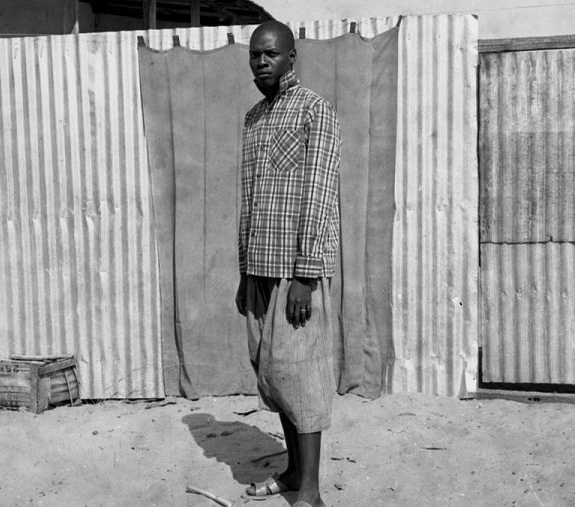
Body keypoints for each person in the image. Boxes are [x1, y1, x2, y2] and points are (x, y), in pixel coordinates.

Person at [234, 20, 341, 507]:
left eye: (271, 54)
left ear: (291, 57)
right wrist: (245, 272)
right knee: (275, 377)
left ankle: (310, 494)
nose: (261, 62)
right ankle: (295, 473)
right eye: (255, 55)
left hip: (296, 275)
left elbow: (319, 194)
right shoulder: (253, 118)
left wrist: (305, 273)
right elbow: (249, 202)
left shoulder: (315, 110)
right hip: (259, 270)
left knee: (303, 379)